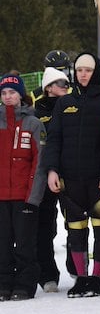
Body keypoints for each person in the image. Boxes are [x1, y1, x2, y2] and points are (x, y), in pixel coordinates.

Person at [41, 54, 100, 298]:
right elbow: (54, 139)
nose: (83, 74)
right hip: (70, 178)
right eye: (79, 69)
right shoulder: (65, 103)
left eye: (88, 69)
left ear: (96, 72)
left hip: (98, 178)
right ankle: (82, 278)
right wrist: (52, 169)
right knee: (75, 229)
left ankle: (96, 277)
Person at [0, 74, 46, 301]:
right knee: (3, 244)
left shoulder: (33, 123)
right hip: (1, 196)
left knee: (25, 244)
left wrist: (33, 196)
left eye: (12, 92)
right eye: (4, 93)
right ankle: (4, 284)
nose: (8, 97)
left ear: (21, 95)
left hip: (24, 196)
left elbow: (39, 162)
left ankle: (25, 285)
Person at [32, 66, 70, 293]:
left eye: (67, 83)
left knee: (75, 225)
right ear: (48, 88)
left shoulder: (72, 106)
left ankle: (78, 269)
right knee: (45, 227)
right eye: (60, 84)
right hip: (44, 175)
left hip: (70, 172)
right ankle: (47, 275)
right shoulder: (36, 111)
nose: (65, 88)